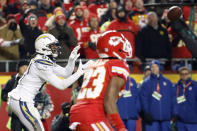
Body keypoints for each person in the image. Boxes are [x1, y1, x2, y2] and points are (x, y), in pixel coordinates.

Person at [7, 33, 87, 131]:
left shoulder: (43, 60)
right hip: (21, 100)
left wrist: (71, 60)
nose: (56, 48)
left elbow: (65, 73)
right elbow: (62, 85)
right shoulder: (41, 63)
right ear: (44, 47)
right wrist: (79, 73)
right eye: (52, 46)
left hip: (21, 100)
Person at [69, 30, 132, 131]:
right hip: (92, 116)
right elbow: (109, 102)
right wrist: (121, 127)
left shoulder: (93, 64)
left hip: (76, 113)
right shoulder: (118, 65)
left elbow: (76, 95)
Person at [140, 60, 175, 131]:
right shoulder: (146, 83)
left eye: (156, 66)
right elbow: (144, 99)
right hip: (152, 119)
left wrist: (174, 112)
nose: (154, 68)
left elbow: (173, 98)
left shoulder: (167, 82)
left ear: (159, 68)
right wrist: (146, 112)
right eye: (152, 67)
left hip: (166, 118)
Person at [1, 60, 28, 131]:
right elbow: (3, 95)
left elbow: (39, 96)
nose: (25, 69)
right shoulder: (12, 81)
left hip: (29, 115)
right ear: (18, 69)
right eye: (23, 67)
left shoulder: (32, 82)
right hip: (16, 116)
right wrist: (12, 97)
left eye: (27, 67)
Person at [173, 66, 197, 131]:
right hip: (180, 121)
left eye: (186, 73)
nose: (184, 75)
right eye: (182, 74)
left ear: (189, 74)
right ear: (179, 75)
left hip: (193, 121)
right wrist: (175, 113)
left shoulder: (195, 86)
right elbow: (173, 102)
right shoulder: (175, 87)